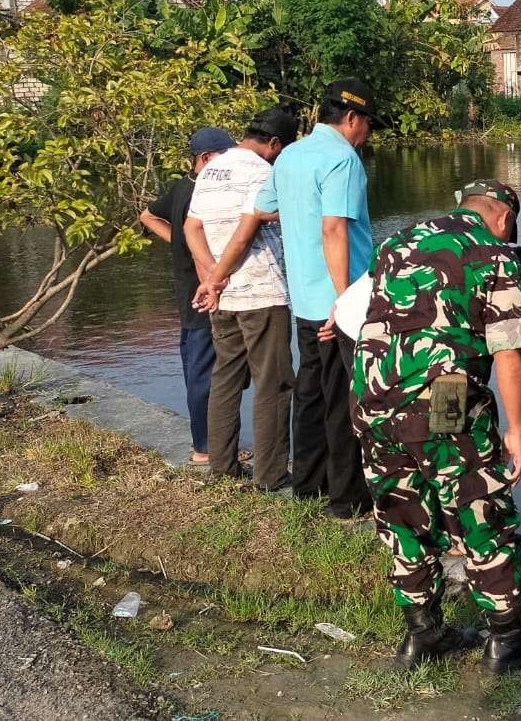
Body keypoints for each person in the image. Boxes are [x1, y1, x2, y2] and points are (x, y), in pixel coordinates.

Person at [352, 180, 521, 674]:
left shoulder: (397, 241)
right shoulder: (497, 256)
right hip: (443, 395)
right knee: (480, 509)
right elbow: (509, 350)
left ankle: (422, 634)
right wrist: (518, 431)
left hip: (373, 395)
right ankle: (509, 638)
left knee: (402, 514)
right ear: (505, 217)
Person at [253, 79, 380, 520]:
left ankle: (307, 486)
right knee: (345, 397)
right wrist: (344, 300)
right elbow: (334, 229)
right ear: (351, 118)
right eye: (367, 124)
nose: (367, 133)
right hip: (338, 300)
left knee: (310, 392)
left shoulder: (290, 154)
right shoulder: (342, 158)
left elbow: (263, 206)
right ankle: (346, 500)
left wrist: (297, 211)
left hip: (305, 297)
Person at [184, 107, 299, 489]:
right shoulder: (263, 172)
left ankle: (221, 465)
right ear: (274, 144)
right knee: (274, 384)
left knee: (226, 378)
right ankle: (270, 474)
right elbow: (245, 234)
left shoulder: (211, 169)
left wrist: (210, 279)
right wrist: (218, 277)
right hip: (262, 293)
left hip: (223, 300)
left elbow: (191, 227)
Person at [139, 127, 236, 466]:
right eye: (226, 157)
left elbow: (147, 216)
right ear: (206, 159)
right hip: (201, 292)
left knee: (199, 367)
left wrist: (179, 241)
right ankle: (206, 448)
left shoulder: (183, 187)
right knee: (204, 371)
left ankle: (209, 444)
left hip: (188, 291)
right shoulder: (202, 193)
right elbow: (198, 249)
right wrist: (211, 283)